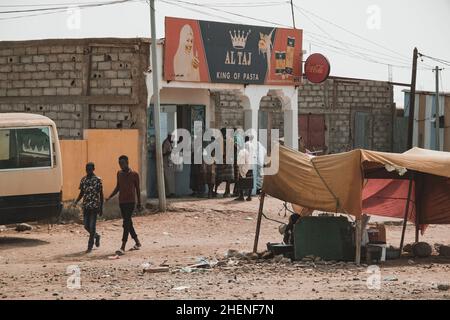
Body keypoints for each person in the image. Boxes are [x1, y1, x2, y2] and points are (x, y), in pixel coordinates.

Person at [106, 155, 142, 255]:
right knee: (127, 222)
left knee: (126, 222)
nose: (121, 165)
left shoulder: (134, 174)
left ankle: (123, 246)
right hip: (122, 202)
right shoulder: (119, 174)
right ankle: (137, 242)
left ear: (127, 162)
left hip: (131, 202)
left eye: (123, 163)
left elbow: (138, 189)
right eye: (120, 164)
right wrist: (110, 196)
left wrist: (139, 202)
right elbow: (118, 187)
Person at [73, 162, 103, 253]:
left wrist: (101, 207)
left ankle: (90, 246)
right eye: (87, 169)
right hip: (86, 206)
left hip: (94, 206)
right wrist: (76, 201)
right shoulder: (83, 180)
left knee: (92, 226)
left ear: (93, 169)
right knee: (86, 226)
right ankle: (96, 236)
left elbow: (101, 194)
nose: (88, 170)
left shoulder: (98, 180)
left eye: (90, 169)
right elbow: (82, 192)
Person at [235, 136, 253, 201]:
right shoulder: (252, 145)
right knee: (250, 181)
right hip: (251, 166)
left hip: (244, 165)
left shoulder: (245, 145)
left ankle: (241, 196)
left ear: (244, 139)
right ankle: (249, 196)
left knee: (241, 180)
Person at [162, 134, 176, 198]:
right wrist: (169, 152)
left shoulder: (170, 143)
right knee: (167, 179)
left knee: (171, 180)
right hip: (166, 164)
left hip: (170, 164)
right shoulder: (166, 143)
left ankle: (171, 193)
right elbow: (163, 153)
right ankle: (167, 193)